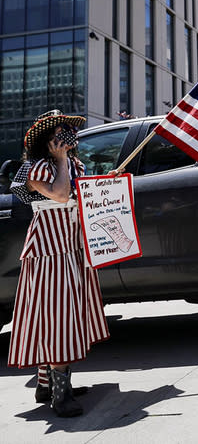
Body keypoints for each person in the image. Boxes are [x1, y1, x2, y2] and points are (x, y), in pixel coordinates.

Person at [7, 110, 110, 417]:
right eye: (59, 132)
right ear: (45, 141)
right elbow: (61, 195)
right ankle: (59, 396)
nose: (65, 135)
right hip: (48, 251)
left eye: (67, 131)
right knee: (56, 317)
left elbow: (84, 197)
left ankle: (47, 385)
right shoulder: (37, 167)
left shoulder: (76, 165)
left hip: (72, 247)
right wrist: (61, 159)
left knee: (63, 318)